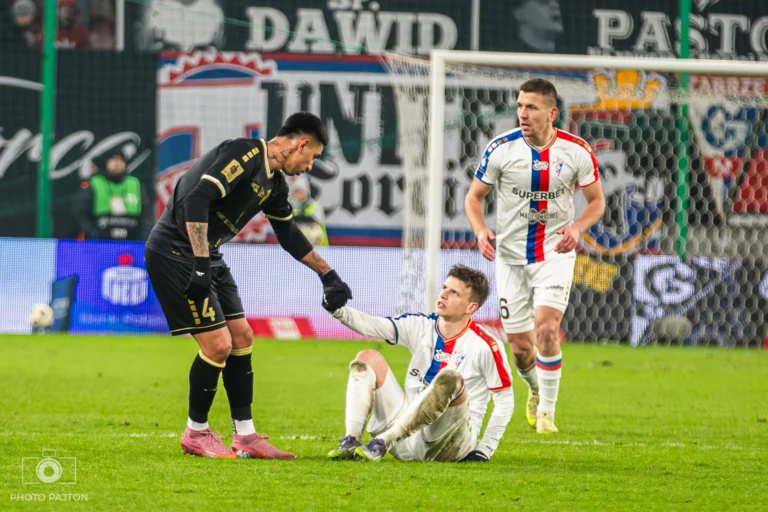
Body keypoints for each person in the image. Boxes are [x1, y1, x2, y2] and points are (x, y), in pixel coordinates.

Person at [145, 112, 353, 459]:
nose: (310, 166)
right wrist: (199, 265)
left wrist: (328, 274)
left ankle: (245, 435)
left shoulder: (275, 184)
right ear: (301, 144)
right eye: (313, 156)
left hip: (205, 254)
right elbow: (197, 199)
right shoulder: (244, 154)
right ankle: (196, 433)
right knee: (218, 345)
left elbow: (288, 235)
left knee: (242, 337)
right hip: (176, 252)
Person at [464, 78, 605, 434]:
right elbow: (473, 197)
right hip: (510, 258)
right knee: (521, 350)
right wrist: (481, 230)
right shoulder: (501, 148)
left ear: (552, 112)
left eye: (531, 107)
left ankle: (548, 414)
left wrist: (576, 230)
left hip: (554, 253)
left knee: (546, 329)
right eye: (519, 106)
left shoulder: (576, 151)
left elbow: (597, 202)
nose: (522, 114)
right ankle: (534, 389)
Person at [325, 265, 513, 463]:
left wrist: (484, 450)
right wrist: (337, 309)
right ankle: (351, 440)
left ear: (471, 308)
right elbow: (371, 325)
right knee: (367, 358)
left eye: (454, 292)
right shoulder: (420, 325)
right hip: (406, 439)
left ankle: (384, 441)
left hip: (449, 443)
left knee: (450, 378)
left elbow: (505, 400)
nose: (443, 295)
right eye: (444, 287)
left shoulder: (486, 345)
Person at [77, 151, 153, 241]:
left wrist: (144, 231)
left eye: (121, 160)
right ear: (105, 163)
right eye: (113, 160)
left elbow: (147, 213)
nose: (117, 163)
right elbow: (82, 213)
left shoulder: (135, 184)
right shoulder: (94, 184)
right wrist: (91, 231)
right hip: (101, 242)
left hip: (132, 242)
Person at [288, 175, 328, 246]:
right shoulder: (289, 207)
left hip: (320, 249)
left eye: (300, 192)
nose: (298, 195)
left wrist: (293, 219)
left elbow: (313, 219)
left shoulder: (315, 205)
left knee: (308, 230)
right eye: (296, 192)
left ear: (306, 193)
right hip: (295, 250)